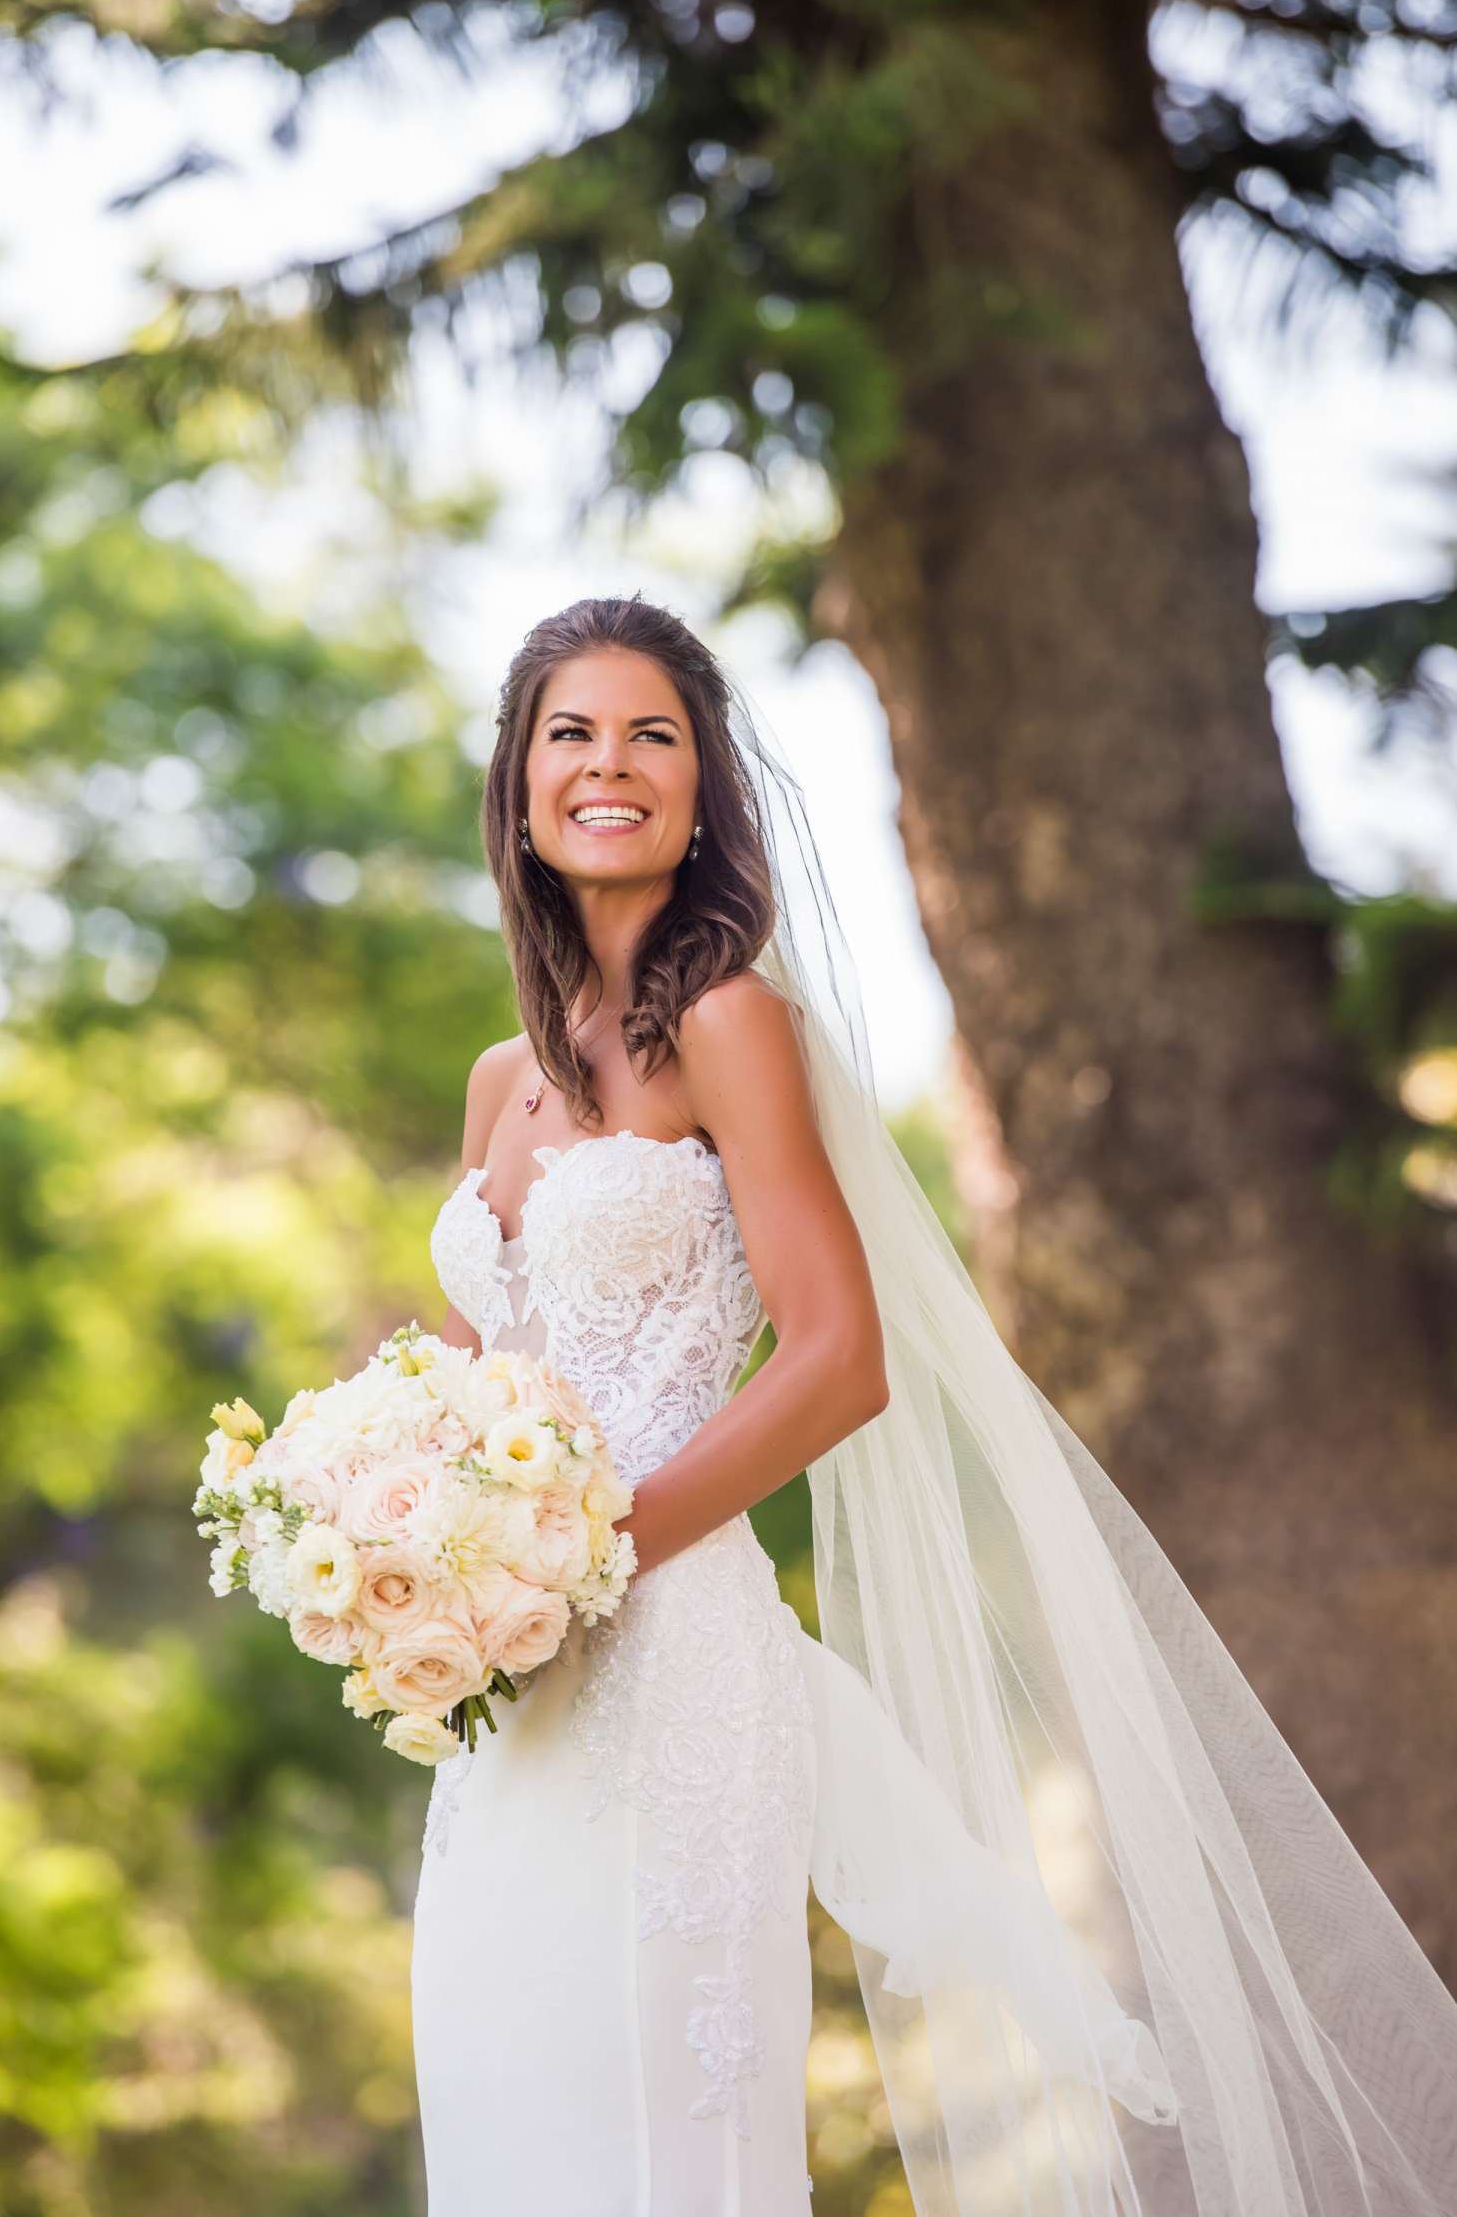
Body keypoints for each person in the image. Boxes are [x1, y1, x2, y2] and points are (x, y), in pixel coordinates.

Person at [410, 595, 1457, 2217]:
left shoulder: (731, 1025)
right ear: (518, 785)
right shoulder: (497, 1079)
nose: (605, 765)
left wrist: (585, 1557)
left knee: (660, 2143)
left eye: (650, 735)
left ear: (701, 794)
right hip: (501, 1691)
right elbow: (490, 1385)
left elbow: (840, 1360)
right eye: (569, 732)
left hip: (666, 1660)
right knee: (509, 2111)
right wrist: (410, 1536)